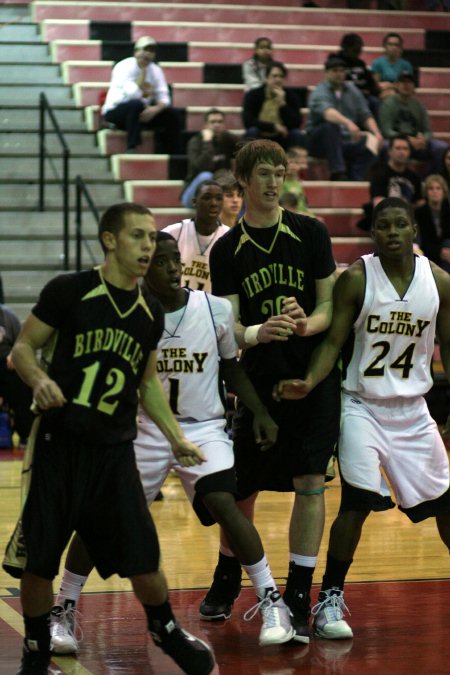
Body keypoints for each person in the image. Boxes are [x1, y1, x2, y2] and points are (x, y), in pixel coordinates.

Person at [47, 231, 294, 654]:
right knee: (100, 516)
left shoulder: (214, 308)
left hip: (203, 428)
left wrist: (262, 413)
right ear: (142, 269)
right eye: (159, 262)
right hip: (144, 430)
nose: (171, 268)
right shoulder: (128, 312)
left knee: (225, 505)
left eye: (173, 260)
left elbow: (232, 372)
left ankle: (273, 601)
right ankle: (63, 608)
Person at [5, 202, 215, 675]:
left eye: (150, 238)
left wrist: (176, 436)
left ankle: (165, 631)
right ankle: (36, 649)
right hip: (61, 446)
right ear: (109, 240)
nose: (147, 246)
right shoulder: (70, 291)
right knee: (40, 561)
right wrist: (38, 380)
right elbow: (23, 348)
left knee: (144, 556)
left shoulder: (148, 313)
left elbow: (146, 384)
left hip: (115, 451)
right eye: (138, 236)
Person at [273, 196, 450, 640]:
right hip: (362, 406)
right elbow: (332, 344)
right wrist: (309, 383)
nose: (392, 233)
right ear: (373, 233)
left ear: (414, 231)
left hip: (413, 410)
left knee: (446, 503)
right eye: (383, 226)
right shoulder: (356, 278)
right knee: (356, 502)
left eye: (400, 225)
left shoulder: (441, 282)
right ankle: (329, 599)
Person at [201, 139, 341, 644]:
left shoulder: (310, 231)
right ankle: (227, 573)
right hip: (259, 382)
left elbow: (330, 307)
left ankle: (300, 591)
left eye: (279, 172)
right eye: (263, 173)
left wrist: (305, 324)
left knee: (310, 481)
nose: (273, 180)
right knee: (242, 488)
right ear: (243, 180)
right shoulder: (226, 249)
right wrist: (262, 330)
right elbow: (229, 326)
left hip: (312, 376)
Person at [304, 54, 384, 181]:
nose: (339, 74)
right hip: (318, 141)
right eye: (335, 71)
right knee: (330, 126)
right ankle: (338, 172)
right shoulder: (319, 91)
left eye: (342, 71)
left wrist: (377, 134)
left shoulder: (352, 89)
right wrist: (348, 123)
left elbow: (365, 114)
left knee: (374, 143)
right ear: (326, 73)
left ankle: (356, 176)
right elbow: (328, 112)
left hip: (344, 141)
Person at [101, 35, 182, 153]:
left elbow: (164, 97)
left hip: (140, 113)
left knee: (172, 114)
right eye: (145, 50)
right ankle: (132, 147)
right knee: (136, 104)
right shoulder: (123, 67)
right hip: (116, 112)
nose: (147, 54)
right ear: (136, 52)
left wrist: (156, 109)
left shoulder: (156, 70)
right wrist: (143, 73)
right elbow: (133, 95)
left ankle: (173, 153)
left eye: (151, 51)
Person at [163, 180, 229, 293]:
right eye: (207, 198)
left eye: (219, 198)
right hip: (176, 305)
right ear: (194, 202)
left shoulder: (229, 237)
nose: (213, 203)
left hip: (212, 307)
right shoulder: (173, 233)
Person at [378, 72, 448, 174]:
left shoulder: (419, 105)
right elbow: (387, 130)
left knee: (440, 148)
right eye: (403, 82)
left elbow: (428, 131)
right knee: (385, 146)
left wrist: (423, 139)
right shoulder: (388, 104)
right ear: (397, 85)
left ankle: (433, 181)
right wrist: (407, 139)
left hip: (417, 144)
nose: (406, 85)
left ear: (414, 86)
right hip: (397, 141)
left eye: (409, 82)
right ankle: (389, 177)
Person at [357, 134, 424, 232]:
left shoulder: (414, 177)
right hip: (387, 220)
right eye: (398, 148)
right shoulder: (379, 174)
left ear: (409, 152)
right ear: (390, 151)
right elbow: (378, 203)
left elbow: (419, 203)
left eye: (405, 149)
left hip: (408, 220)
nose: (402, 152)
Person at [180, 108, 240, 209]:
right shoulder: (195, 142)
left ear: (224, 124)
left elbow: (246, 148)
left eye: (219, 122)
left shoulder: (227, 139)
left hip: (218, 193)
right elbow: (203, 166)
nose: (216, 125)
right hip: (193, 197)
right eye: (212, 122)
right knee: (206, 176)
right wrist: (207, 142)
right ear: (206, 125)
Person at [242, 61, 304, 151]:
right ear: (266, 78)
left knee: (296, 134)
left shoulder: (291, 96)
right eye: (274, 76)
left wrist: (282, 104)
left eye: (281, 76)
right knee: (251, 132)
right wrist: (273, 126)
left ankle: (294, 164)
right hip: (261, 135)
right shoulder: (253, 95)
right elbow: (248, 121)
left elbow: (296, 123)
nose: (278, 79)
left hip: (282, 137)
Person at [0, 304, 33, 446]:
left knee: (23, 382)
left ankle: (25, 434)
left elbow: (21, 343)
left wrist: (14, 353)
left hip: (6, 367)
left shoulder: (8, 316)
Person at [336, 33, 380, 120]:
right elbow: (338, 85)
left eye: (360, 50)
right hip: (346, 96)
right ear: (346, 48)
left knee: (373, 101)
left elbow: (372, 85)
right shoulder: (337, 63)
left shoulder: (360, 63)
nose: (358, 53)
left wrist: (369, 91)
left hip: (364, 97)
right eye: (355, 50)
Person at [415, 174, 450, 273]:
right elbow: (421, 241)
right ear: (426, 192)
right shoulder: (419, 213)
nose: (435, 191)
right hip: (428, 254)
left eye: (438, 188)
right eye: (431, 188)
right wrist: (440, 252)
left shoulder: (448, 211)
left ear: (444, 192)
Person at [371, 32, 414, 100]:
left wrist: (389, 85)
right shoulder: (377, 63)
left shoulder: (406, 65)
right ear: (385, 46)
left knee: (393, 94)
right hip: (382, 94)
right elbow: (375, 85)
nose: (393, 47)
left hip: (401, 94)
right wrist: (394, 86)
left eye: (396, 45)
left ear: (400, 47)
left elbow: (408, 86)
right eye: (390, 44)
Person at [280, 147, 317, 218]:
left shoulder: (298, 184)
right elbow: (284, 208)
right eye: (290, 163)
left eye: (296, 163)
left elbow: (304, 206)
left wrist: (313, 216)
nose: (293, 166)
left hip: (302, 216)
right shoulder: (280, 183)